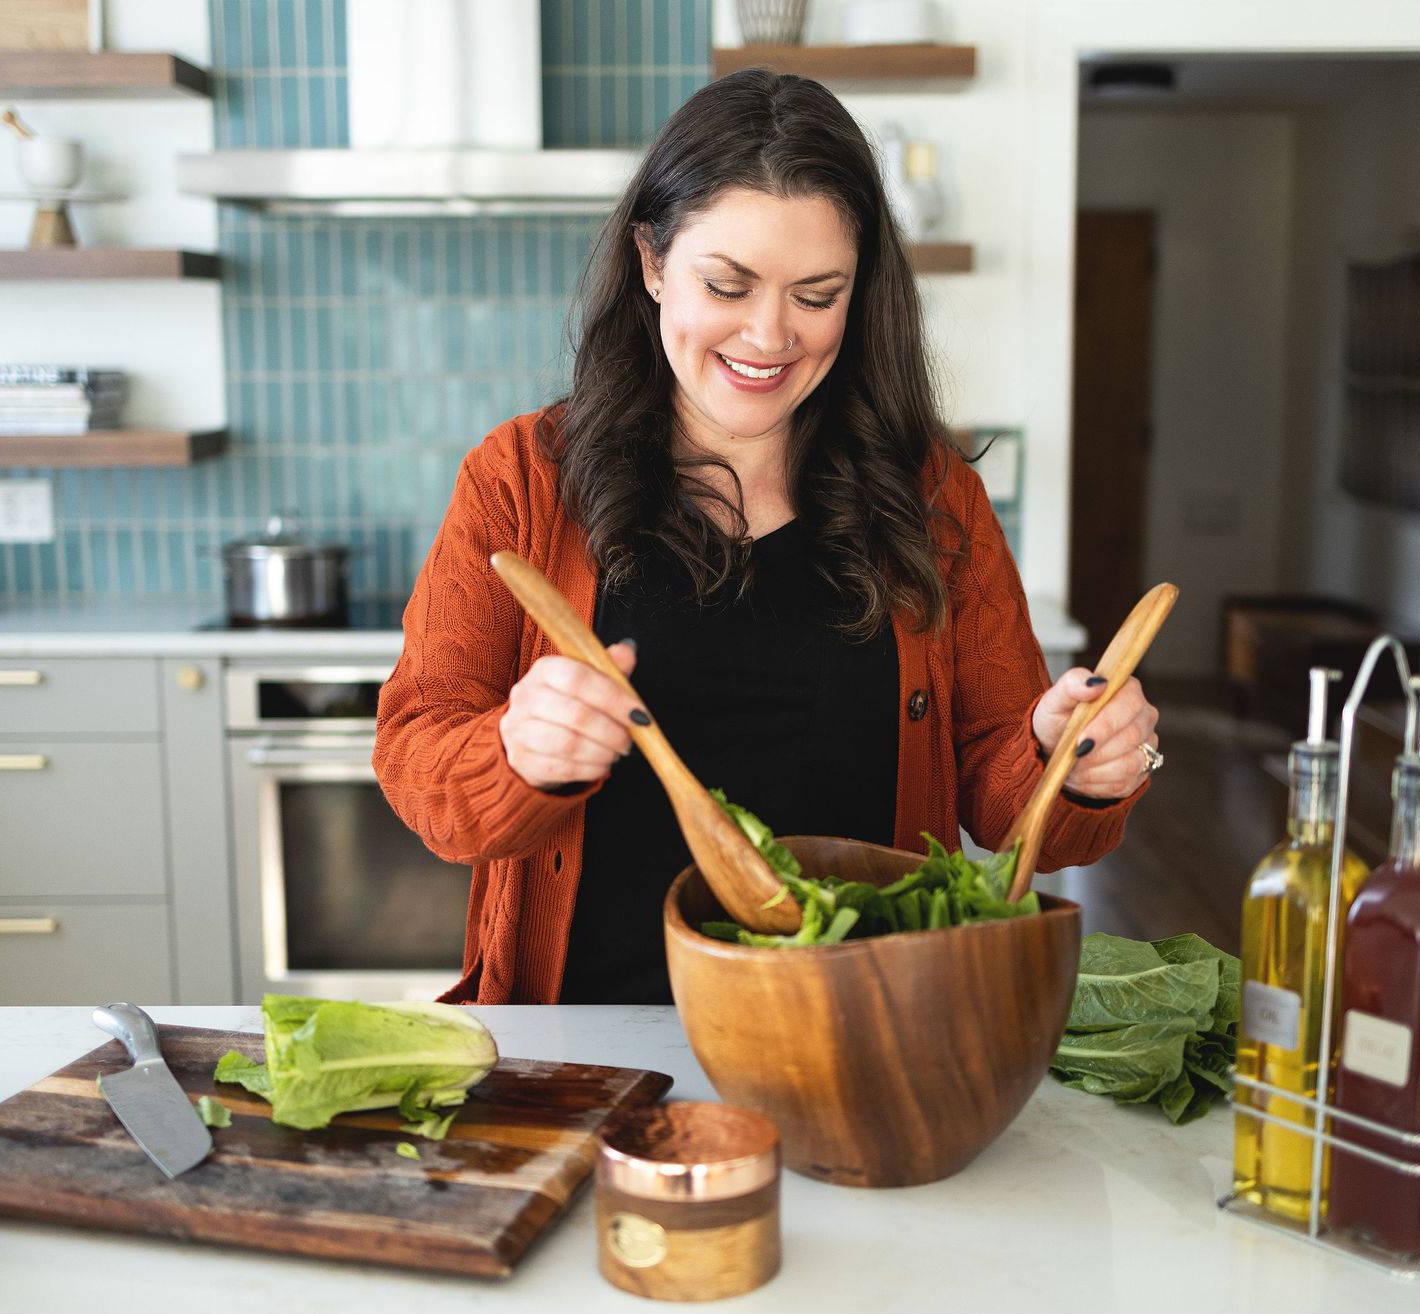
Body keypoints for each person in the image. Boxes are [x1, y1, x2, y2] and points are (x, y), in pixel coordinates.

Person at [376, 70, 1160, 1006]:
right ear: (652, 262)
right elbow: (416, 758)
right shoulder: (522, 480)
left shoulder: (934, 496)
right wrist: (515, 752)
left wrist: (1070, 762)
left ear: (861, 292)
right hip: (593, 1043)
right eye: (727, 283)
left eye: (816, 293)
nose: (769, 334)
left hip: (867, 1032)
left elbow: (1002, 795)